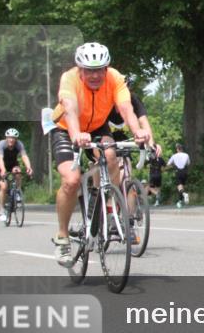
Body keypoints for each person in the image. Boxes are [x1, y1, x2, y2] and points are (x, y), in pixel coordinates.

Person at [48, 42, 150, 266]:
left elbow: (126, 108)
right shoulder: (69, 78)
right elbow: (70, 108)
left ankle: (102, 198)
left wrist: (138, 132)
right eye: (89, 71)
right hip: (67, 128)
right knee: (71, 180)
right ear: (80, 69)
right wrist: (76, 134)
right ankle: (63, 237)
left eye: (99, 70)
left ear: (107, 68)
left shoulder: (115, 78)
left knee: (111, 154)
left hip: (97, 126)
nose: (94, 75)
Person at [0, 128, 33, 222]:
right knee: (3, 187)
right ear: (6, 138)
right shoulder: (2, 144)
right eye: (9, 138)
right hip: (2, 166)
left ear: (16, 139)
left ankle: (17, 192)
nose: (11, 140)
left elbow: (24, 156)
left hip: (13, 164)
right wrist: (3, 170)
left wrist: (29, 167)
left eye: (13, 138)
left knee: (18, 172)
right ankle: (1, 210)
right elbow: (0, 158)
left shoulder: (19, 144)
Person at [166, 144, 191, 209]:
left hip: (178, 171)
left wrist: (173, 165)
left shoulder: (174, 155)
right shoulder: (186, 155)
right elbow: (188, 163)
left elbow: (168, 164)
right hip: (185, 171)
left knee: (179, 187)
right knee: (182, 186)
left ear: (177, 149)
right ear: (182, 149)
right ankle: (180, 202)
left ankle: (185, 194)